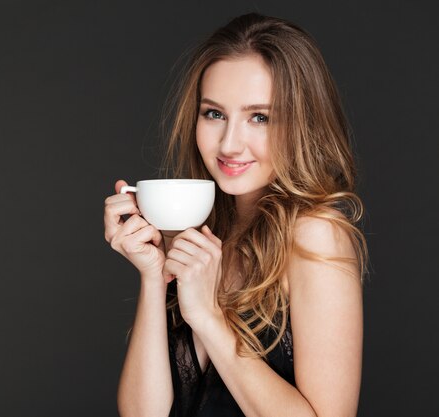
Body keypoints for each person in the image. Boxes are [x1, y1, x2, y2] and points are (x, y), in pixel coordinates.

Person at [103, 12, 367, 417]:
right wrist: (154, 276)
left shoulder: (316, 234)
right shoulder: (203, 232)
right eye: (214, 114)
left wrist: (208, 319)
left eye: (259, 117)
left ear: (301, 124)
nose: (229, 144)